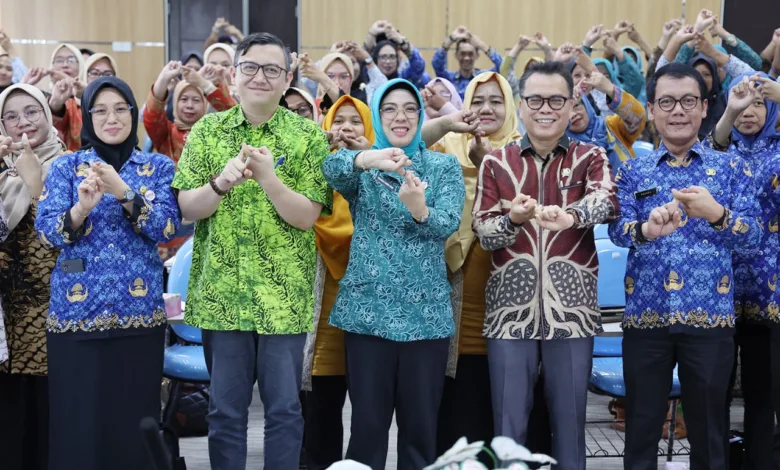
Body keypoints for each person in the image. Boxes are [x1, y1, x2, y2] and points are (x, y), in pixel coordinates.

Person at [172, 32, 332, 470]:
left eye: (272, 69)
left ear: (287, 79)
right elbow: (188, 208)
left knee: (284, 411)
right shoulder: (207, 131)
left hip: (283, 300)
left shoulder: (307, 137)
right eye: (251, 67)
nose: (260, 77)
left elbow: (307, 216)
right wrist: (222, 182)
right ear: (234, 74)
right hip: (222, 297)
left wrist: (268, 179)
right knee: (225, 413)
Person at [608, 62, 762, 470]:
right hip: (646, 320)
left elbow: (753, 236)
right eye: (667, 102)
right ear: (651, 109)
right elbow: (618, 231)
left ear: (704, 107)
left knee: (709, 434)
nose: (678, 110)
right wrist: (646, 229)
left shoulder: (730, 168)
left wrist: (717, 214)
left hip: (710, 321)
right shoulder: (633, 169)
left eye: (688, 101)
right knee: (640, 432)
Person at [471, 61, 617, 470]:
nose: (545, 109)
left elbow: (607, 200)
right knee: (508, 429)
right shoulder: (496, 163)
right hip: (509, 313)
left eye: (556, 100)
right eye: (535, 100)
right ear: (521, 105)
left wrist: (572, 216)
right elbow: (484, 232)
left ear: (571, 105)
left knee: (570, 427)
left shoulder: (590, 156)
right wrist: (513, 220)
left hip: (572, 312)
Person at [35, 76, 180, 470]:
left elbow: (167, 228)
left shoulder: (156, 166)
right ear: (87, 116)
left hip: (139, 316)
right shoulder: (67, 167)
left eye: (120, 109)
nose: (110, 118)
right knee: (77, 423)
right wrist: (81, 209)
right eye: (99, 110)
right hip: (76, 317)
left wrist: (124, 192)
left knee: (133, 424)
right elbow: (47, 233)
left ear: (133, 113)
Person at [322, 78, 466, 470]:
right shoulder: (365, 168)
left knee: (420, 431)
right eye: (389, 109)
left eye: (409, 108)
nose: (400, 116)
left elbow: (447, 222)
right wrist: (368, 158)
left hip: (425, 317)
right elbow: (331, 168)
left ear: (420, 115)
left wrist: (420, 209)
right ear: (378, 117)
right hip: (368, 314)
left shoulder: (442, 166)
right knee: (366, 431)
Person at [428, 71, 519, 463]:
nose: (486, 108)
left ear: (510, 106)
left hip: (511, 300)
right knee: (459, 400)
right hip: (456, 293)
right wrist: (448, 121)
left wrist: (490, 165)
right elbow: (406, 146)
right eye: (477, 101)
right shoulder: (448, 146)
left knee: (506, 404)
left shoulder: (523, 149)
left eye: (496, 101)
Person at [708, 73, 780, 470]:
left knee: (761, 393)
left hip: (770, 292)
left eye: (759, 103)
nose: (749, 112)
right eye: (742, 103)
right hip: (722, 288)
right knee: (714, 391)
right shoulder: (722, 153)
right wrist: (730, 112)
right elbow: (707, 157)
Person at [302, 95, 374, 470]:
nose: (346, 127)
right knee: (321, 407)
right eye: (339, 120)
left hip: (368, 309)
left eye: (355, 120)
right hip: (322, 309)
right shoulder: (314, 171)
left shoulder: (381, 173)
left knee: (369, 412)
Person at [0, 84, 68, 470]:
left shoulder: (71, 166)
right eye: (11, 116)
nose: (23, 122)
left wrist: (35, 185)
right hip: (8, 324)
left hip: (55, 317)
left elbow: (65, 246)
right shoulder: (2, 173)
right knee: (12, 433)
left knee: (49, 431)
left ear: (46, 114)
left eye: (31, 111)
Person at [567, 53, 646, 173]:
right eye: (566, 111)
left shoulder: (611, 127)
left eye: (577, 106)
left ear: (586, 105)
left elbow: (637, 117)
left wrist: (610, 89)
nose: (573, 115)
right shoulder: (559, 143)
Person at [145, 60, 236, 164]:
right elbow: (152, 115)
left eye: (196, 100)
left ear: (205, 104)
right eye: (184, 99)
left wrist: (204, 84)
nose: (189, 105)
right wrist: (163, 78)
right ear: (175, 102)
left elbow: (235, 116)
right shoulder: (166, 134)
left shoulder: (215, 132)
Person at [433, 26, 503, 98]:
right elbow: (436, 64)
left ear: (477, 55)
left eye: (470, 54)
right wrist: (450, 39)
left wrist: (481, 45)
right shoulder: (449, 79)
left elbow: (502, 66)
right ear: (456, 55)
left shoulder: (484, 79)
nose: (466, 58)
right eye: (463, 53)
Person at [364, 21, 429, 89]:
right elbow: (359, 64)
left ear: (398, 57)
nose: (388, 61)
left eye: (392, 57)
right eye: (383, 57)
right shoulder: (367, 75)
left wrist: (403, 43)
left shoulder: (403, 77)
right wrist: (370, 37)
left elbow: (418, 66)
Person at [48, 43, 87, 151]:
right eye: (59, 60)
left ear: (81, 66)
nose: (65, 65)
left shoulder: (87, 97)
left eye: (71, 60)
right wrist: (55, 105)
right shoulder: (43, 97)